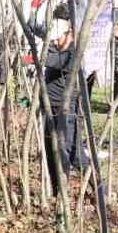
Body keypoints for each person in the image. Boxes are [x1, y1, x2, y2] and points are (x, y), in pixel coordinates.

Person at [40, 19, 85, 186]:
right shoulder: (59, 52)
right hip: (49, 109)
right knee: (51, 151)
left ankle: (99, 189)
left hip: (65, 112)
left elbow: (47, 59)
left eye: (58, 37)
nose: (54, 41)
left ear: (70, 36)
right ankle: (56, 190)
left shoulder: (72, 55)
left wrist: (46, 46)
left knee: (73, 154)